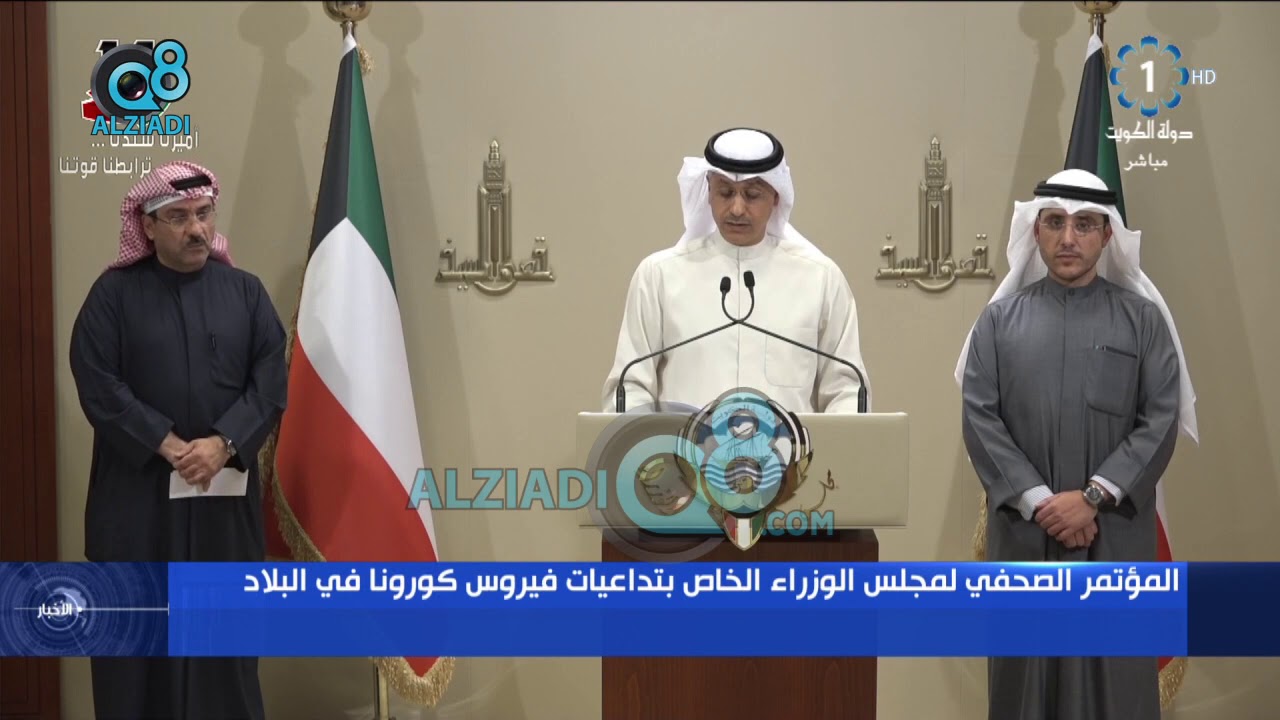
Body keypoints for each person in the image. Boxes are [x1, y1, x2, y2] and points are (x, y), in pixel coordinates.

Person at [955, 169, 1198, 720]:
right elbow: (980, 420)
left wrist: (1090, 499)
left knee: (1117, 684)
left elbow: (1159, 419)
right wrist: (1042, 502)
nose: (1068, 238)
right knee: (1026, 687)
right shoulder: (998, 322)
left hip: (1113, 533)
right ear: (1035, 231)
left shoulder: (1143, 321)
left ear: (1108, 235)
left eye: (1085, 224)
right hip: (1026, 535)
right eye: (1055, 223)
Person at [69, 160, 289, 720]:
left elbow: (270, 381)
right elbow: (97, 382)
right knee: (135, 654)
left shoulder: (246, 294)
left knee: (224, 652)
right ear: (146, 225)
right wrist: (168, 445)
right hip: (137, 508)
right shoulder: (113, 296)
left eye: (204, 213)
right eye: (179, 217)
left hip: (221, 507)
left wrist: (223, 443)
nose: (197, 229)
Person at [601, 127, 870, 414]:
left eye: (752, 195)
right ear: (708, 192)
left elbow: (846, 390)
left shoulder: (820, 278)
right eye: (725, 192)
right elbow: (630, 387)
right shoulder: (659, 276)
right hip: (682, 444)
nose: (737, 209)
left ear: (776, 197)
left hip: (790, 445)